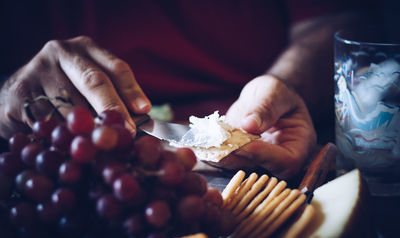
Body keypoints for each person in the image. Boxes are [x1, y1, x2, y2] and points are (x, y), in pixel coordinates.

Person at [0, 0, 376, 179]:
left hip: (269, 143)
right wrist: (8, 97)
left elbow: (339, 21)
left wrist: (288, 83)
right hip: (79, 169)